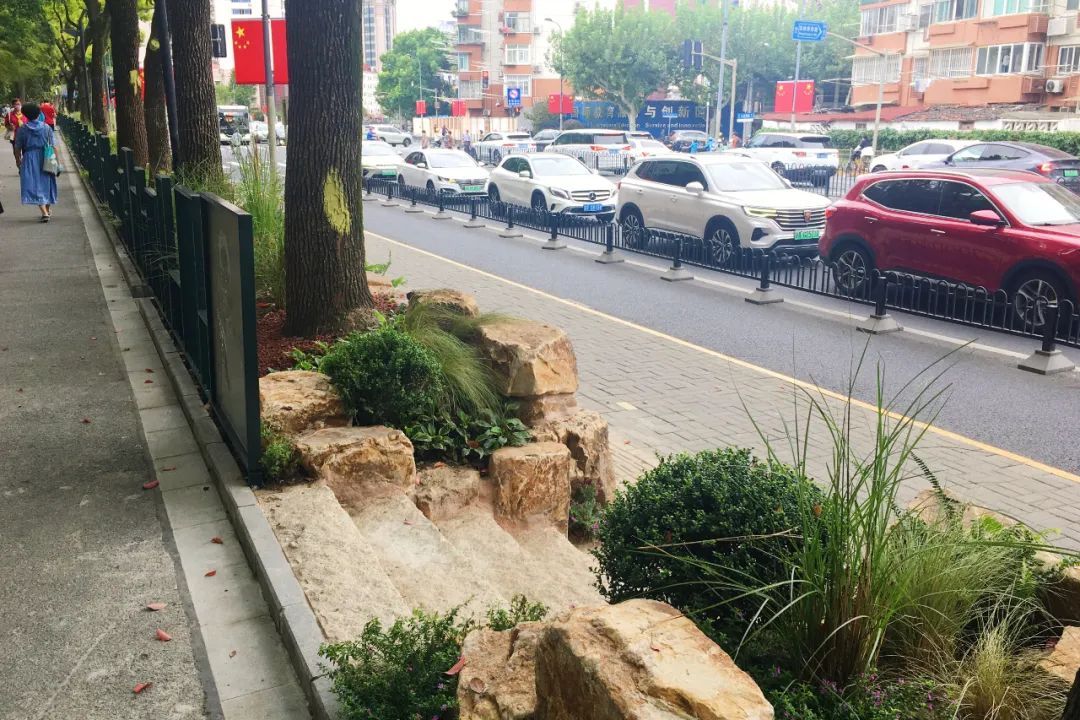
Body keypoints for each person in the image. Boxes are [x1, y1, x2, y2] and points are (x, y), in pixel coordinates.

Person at [13, 103, 58, 222]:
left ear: (25, 115)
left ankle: (45, 212)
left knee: (34, 184)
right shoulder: (46, 127)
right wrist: (56, 161)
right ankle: (46, 211)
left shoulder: (23, 129)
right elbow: (54, 146)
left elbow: (17, 147)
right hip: (46, 156)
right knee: (48, 182)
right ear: (39, 114)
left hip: (29, 157)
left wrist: (18, 160)